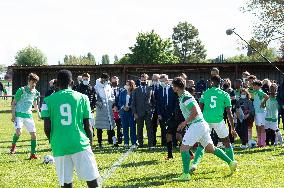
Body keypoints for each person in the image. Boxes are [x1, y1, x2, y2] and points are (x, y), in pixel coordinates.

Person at [41, 70, 100, 188]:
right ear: (72, 82)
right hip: (80, 143)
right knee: (93, 181)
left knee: (66, 183)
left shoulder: (47, 101)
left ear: (57, 83)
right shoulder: (83, 98)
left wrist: (53, 141)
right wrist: (90, 145)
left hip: (59, 145)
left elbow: (47, 127)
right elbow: (88, 126)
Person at [171, 77, 237, 181]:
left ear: (175, 88)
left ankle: (185, 174)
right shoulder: (184, 96)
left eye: (173, 86)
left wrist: (184, 123)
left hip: (197, 125)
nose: (172, 88)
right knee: (211, 149)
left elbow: (195, 112)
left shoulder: (185, 97)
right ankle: (231, 162)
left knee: (183, 148)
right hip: (201, 125)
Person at [190, 75, 237, 174]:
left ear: (211, 82)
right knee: (226, 142)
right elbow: (229, 113)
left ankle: (194, 164)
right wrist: (232, 128)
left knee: (202, 144)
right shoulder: (225, 94)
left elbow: (200, 108)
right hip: (218, 121)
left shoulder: (205, 93)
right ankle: (232, 164)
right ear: (220, 83)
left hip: (206, 120)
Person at [10, 73, 41, 159]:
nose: (33, 84)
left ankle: (33, 154)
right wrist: (13, 115)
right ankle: (13, 146)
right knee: (18, 132)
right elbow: (14, 103)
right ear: (28, 81)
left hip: (28, 115)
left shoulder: (35, 92)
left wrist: (38, 113)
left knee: (34, 135)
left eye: (35, 83)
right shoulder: (21, 90)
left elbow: (35, 103)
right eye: (32, 82)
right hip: (19, 114)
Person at [131, 73, 154, 148]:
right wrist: (134, 113)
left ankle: (150, 144)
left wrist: (152, 110)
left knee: (149, 129)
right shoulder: (136, 90)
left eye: (145, 79)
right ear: (140, 79)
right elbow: (133, 102)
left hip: (148, 112)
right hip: (139, 112)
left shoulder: (150, 89)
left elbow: (153, 101)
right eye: (142, 79)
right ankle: (140, 144)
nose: (143, 80)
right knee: (139, 129)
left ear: (147, 80)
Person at [95, 73, 116, 148]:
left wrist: (110, 102)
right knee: (99, 126)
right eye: (106, 79)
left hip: (109, 108)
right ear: (102, 79)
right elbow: (95, 97)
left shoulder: (109, 86)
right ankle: (100, 142)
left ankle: (112, 141)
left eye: (108, 79)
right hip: (100, 109)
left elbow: (112, 96)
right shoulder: (96, 87)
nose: (107, 81)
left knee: (110, 125)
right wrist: (100, 103)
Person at [157, 74, 176, 146]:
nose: (162, 83)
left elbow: (175, 101)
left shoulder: (173, 89)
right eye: (161, 81)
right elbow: (157, 103)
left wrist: (174, 112)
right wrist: (159, 114)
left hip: (171, 111)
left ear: (167, 81)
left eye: (163, 81)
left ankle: (174, 143)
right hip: (162, 112)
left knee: (172, 127)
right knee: (163, 128)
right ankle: (164, 143)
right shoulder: (158, 90)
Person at [118, 80, 137, 146]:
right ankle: (126, 142)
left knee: (132, 128)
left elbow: (135, 102)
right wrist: (123, 107)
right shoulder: (122, 92)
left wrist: (130, 107)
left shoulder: (134, 92)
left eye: (128, 85)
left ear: (131, 85)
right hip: (123, 113)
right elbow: (119, 102)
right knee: (125, 128)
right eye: (126, 84)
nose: (126, 86)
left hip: (131, 112)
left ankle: (134, 142)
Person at [252, 80, 269, 147]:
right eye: (253, 85)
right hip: (257, 112)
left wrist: (262, 103)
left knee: (262, 127)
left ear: (258, 86)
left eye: (255, 85)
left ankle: (263, 143)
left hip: (261, 112)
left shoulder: (260, 91)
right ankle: (259, 142)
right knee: (258, 127)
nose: (253, 86)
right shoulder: (255, 92)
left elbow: (267, 97)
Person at [111, 76, 123, 145]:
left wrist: (117, 107)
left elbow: (121, 99)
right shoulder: (108, 90)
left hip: (119, 111)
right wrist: (113, 107)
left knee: (119, 126)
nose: (114, 83)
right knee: (111, 126)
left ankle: (120, 139)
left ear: (118, 82)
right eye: (113, 82)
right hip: (111, 111)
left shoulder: (121, 90)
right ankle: (112, 139)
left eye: (115, 81)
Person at [151, 74, 161, 146]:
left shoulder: (162, 87)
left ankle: (164, 142)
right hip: (152, 110)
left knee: (163, 127)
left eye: (156, 79)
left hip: (161, 109)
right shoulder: (149, 87)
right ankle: (153, 141)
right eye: (153, 79)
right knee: (153, 126)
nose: (155, 80)